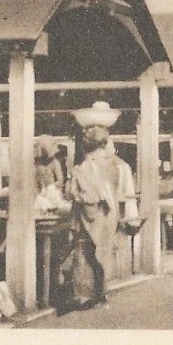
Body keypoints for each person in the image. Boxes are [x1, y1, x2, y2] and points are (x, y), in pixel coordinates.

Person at [57, 101, 122, 313]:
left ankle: (84, 294)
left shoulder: (85, 166)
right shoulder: (112, 163)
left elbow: (77, 194)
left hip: (89, 213)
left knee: (84, 251)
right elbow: (112, 189)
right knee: (102, 251)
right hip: (107, 213)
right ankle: (101, 293)